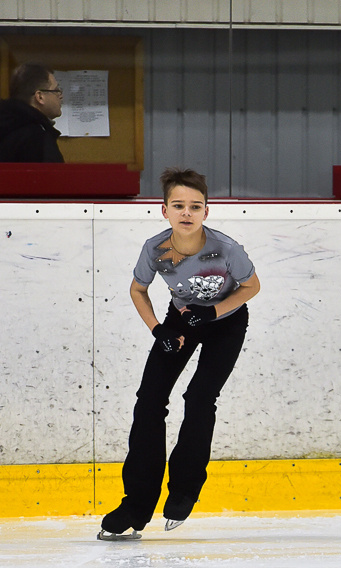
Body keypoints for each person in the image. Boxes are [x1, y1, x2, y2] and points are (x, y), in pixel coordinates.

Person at [99, 168, 261, 540]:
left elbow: (252, 286)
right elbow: (138, 290)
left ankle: (185, 489)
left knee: (200, 397)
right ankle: (136, 504)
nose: (186, 213)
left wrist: (214, 312)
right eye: (178, 205)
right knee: (149, 401)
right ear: (164, 210)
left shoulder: (226, 248)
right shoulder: (155, 249)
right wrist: (159, 329)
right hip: (181, 321)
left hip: (227, 323)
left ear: (206, 211)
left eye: (195, 206)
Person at [0, 62, 65, 162]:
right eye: (56, 90)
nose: (60, 96)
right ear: (40, 97)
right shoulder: (36, 138)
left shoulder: (8, 125)